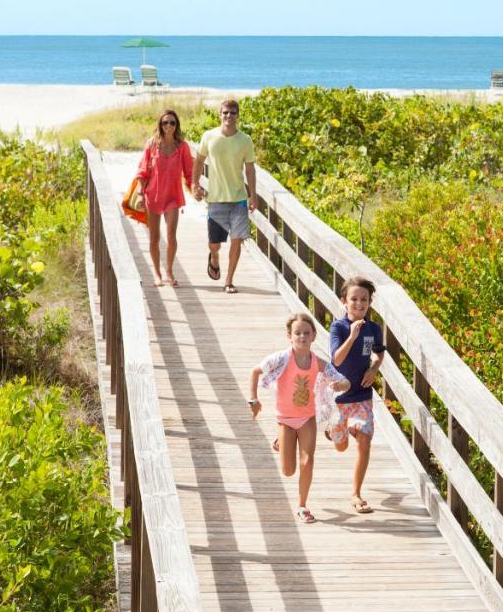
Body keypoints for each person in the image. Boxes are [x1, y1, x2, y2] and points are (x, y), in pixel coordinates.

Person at [249, 313, 349, 523]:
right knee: (288, 470)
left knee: (307, 461)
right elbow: (255, 371)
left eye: (306, 333)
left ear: (314, 336)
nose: (302, 336)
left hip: (307, 418)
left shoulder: (318, 363)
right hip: (285, 418)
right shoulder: (282, 358)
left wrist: (340, 385)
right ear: (289, 336)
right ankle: (281, 441)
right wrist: (253, 400)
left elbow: (344, 381)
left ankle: (302, 506)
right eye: (297, 333)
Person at [328, 276, 386, 514]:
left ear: (370, 302)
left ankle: (356, 493)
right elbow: (337, 359)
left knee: (365, 440)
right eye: (354, 299)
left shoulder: (374, 328)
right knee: (340, 446)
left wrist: (373, 369)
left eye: (364, 299)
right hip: (339, 396)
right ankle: (337, 431)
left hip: (362, 394)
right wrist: (352, 336)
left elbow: (379, 354)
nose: (359, 303)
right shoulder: (338, 328)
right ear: (344, 301)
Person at [192, 99, 256, 294]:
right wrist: (194, 184)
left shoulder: (245, 140)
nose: (229, 116)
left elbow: (250, 168)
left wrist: (253, 195)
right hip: (216, 198)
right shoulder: (209, 136)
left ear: (238, 116)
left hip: (238, 198)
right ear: (220, 115)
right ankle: (214, 257)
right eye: (225, 113)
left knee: (237, 239)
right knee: (215, 244)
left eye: (233, 113)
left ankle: (228, 280)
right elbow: (199, 161)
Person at [135, 109, 193, 287]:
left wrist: (195, 189)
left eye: (172, 123)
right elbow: (142, 171)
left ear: (177, 125)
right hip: (153, 195)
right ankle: (157, 273)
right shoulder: (152, 145)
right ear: (160, 125)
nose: (168, 126)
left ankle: (169, 271)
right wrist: (139, 193)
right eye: (165, 123)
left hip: (173, 197)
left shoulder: (182, 146)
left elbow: (189, 172)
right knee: (154, 238)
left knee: (171, 236)